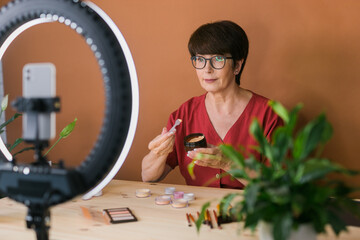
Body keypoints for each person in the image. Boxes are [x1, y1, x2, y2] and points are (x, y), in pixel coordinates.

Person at [141, 20, 282, 189]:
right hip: (197, 213)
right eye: (200, 59)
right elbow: (148, 176)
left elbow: (278, 187)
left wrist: (229, 163)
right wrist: (158, 152)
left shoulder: (269, 114)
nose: (207, 69)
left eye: (217, 59)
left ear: (237, 65)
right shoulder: (184, 114)